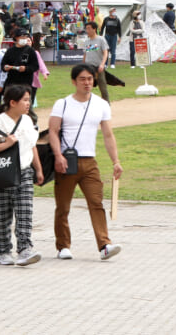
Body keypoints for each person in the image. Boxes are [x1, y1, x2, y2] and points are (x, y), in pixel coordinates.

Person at [47, 64, 123, 261]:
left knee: (96, 203)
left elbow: (108, 135)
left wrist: (116, 161)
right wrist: (58, 156)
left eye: (90, 79)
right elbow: (52, 132)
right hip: (67, 161)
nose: (87, 83)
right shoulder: (62, 104)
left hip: (90, 161)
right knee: (63, 206)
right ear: (74, 82)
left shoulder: (101, 104)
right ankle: (63, 245)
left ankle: (104, 244)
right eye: (82, 79)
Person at [0, 84, 44, 266]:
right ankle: (3, 250)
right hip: (2, 174)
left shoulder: (27, 120)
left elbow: (32, 146)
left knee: (25, 211)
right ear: (12, 102)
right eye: (24, 100)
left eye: (29, 100)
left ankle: (24, 249)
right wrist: (6, 144)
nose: (28, 103)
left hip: (24, 172)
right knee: (1, 215)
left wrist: (38, 169)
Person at [81, 23, 110, 102]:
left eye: (89, 28)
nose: (87, 30)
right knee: (85, 86)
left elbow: (105, 53)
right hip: (88, 67)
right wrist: (82, 66)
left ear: (94, 29)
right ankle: (85, 103)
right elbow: (85, 54)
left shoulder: (101, 39)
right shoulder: (86, 41)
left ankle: (106, 105)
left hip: (98, 67)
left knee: (103, 87)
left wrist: (102, 64)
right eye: (86, 28)